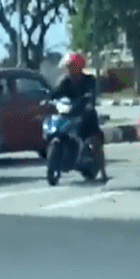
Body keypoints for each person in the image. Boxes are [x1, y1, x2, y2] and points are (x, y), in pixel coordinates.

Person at [54, 53, 109, 183]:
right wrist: (48, 100)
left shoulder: (89, 80)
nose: (69, 69)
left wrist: (89, 103)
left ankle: (103, 172)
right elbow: (55, 94)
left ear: (79, 66)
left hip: (86, 116)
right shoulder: (64, 81)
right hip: (69, 114)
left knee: (95, 141)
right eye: (68, 66)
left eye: (71, 66)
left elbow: (92, 94)